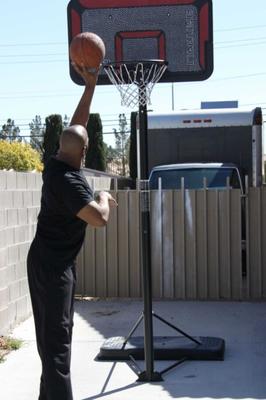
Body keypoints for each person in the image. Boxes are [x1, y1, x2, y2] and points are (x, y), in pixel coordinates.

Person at [27, 64, 117, 400]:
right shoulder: (67, 183)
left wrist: (90, 87)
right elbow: (99, 219)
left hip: (49, 262)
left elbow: (76, 125)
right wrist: (104, 197)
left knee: (53, 343)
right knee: (56, 350)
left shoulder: (56, 163)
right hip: (52, 270)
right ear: (82, 152)